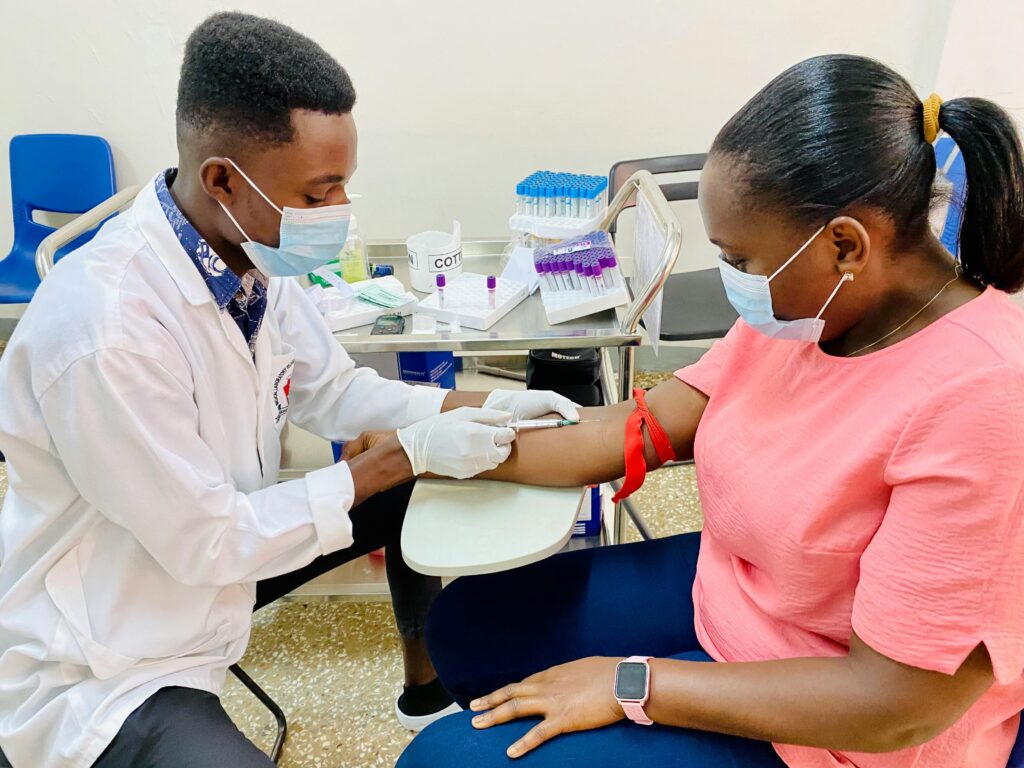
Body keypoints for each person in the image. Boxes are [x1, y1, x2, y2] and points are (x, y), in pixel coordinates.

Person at [386, 55, 1024, 767]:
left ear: (846, 243)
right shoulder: (813, 308)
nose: (734, 285)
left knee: (440, 760)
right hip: (740, 595)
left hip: (842, 727)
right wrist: (426, 428)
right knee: (467, 626)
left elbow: (894, 705)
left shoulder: (986, 400)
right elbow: (633, 427)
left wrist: (633, 683)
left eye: (741, 260)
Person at [0, 13, 575, 768]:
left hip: (211, 564)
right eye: (318, 192)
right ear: (222, 180)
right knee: (395, 472)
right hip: (107, 655)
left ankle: (426, 691)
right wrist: (403, 452)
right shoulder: (106, 332)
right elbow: (208, 540)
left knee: (401, 482)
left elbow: (336, 392)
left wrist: (476, 407)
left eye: (343, 184)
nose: (337, 211)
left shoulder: (248, 256)